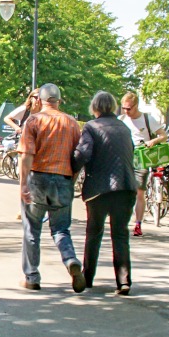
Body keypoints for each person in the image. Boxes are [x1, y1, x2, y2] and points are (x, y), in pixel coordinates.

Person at [17, 83, 84, 291]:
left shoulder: (34, 121)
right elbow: (77, 157)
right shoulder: (72, 123)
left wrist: (23, 185)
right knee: (61, 229)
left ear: (40, 100)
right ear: (59, 101)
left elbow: (26, 155)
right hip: (63, 179)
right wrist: (71, 182)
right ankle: (70, 259)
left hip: (38, 178)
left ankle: (32, 277)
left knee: (32, 229)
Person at [72, 91, 138, 294]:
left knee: (94, 233)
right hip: (126, 187)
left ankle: (88, 277)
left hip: (99, 188)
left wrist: (71, 166)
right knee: (120, 234)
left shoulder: (91, 127)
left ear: (95, 107)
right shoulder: (124, 128)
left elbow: (83, 153)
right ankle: (123, 281)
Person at [119, 89, 166, 237]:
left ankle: (138, 224)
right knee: (124, 192)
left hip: (142, 158)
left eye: (129, 108)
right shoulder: (121, 120)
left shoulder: (147, 119)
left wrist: (153, 141)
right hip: (125, 158)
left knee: (139, 191)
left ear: (136, 105)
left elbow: (163, 135)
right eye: (124, 108)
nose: (126, 111)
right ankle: (122, 221)